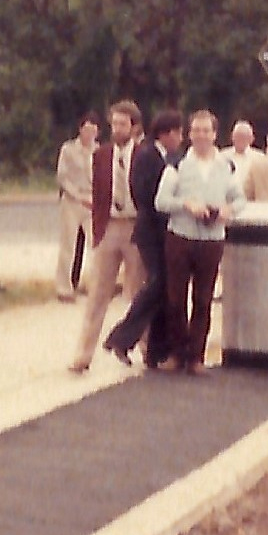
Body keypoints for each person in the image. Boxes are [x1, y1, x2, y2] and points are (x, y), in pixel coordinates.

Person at [156, 109, 245, 375]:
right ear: (190, 134)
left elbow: (240, 199)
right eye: (196, 130)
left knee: (204, 299)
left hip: (212, 239)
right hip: (181, 237)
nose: (201, 136)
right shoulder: (178, 164)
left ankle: (196, 357)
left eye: (206, 131)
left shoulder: (226, 166)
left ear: (215, 134)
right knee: (175, 298)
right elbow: (160, 201)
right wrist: (186, 204)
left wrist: (229, 211)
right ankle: (176, 353)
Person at [103, 110, 184, 368]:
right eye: (179, 133)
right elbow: (144, 194)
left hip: (162, 231)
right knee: (158, 284)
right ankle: (121, 336)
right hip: (151, 231)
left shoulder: (166, 156)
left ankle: (156, 351)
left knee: (164, 289)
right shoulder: (148, 156)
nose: (180, 138)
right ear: (167, 133)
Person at [71, 102, 146, 373]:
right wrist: (97, 228)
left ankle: (147, 349)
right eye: (114, 124)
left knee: (138, 292)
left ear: (134, 127)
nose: (118, 129)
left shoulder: (143, 154)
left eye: (123, 124)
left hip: (136, 227)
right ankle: (83, 354)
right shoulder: (101, 156)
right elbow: (99, 191)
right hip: (109, 227)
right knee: (98, 292)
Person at [52, 117, 99, 301]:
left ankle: (95, 285)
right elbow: (62, 177)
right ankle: (64, 287)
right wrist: (77, 196)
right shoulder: (69, 149)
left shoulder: (98, 151)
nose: (89, 134)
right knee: (68, 245)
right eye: (87, 130)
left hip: (92, 201)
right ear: (80, 130)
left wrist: (96, 198)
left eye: (93, 131)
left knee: (95, 245)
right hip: (72, 201)